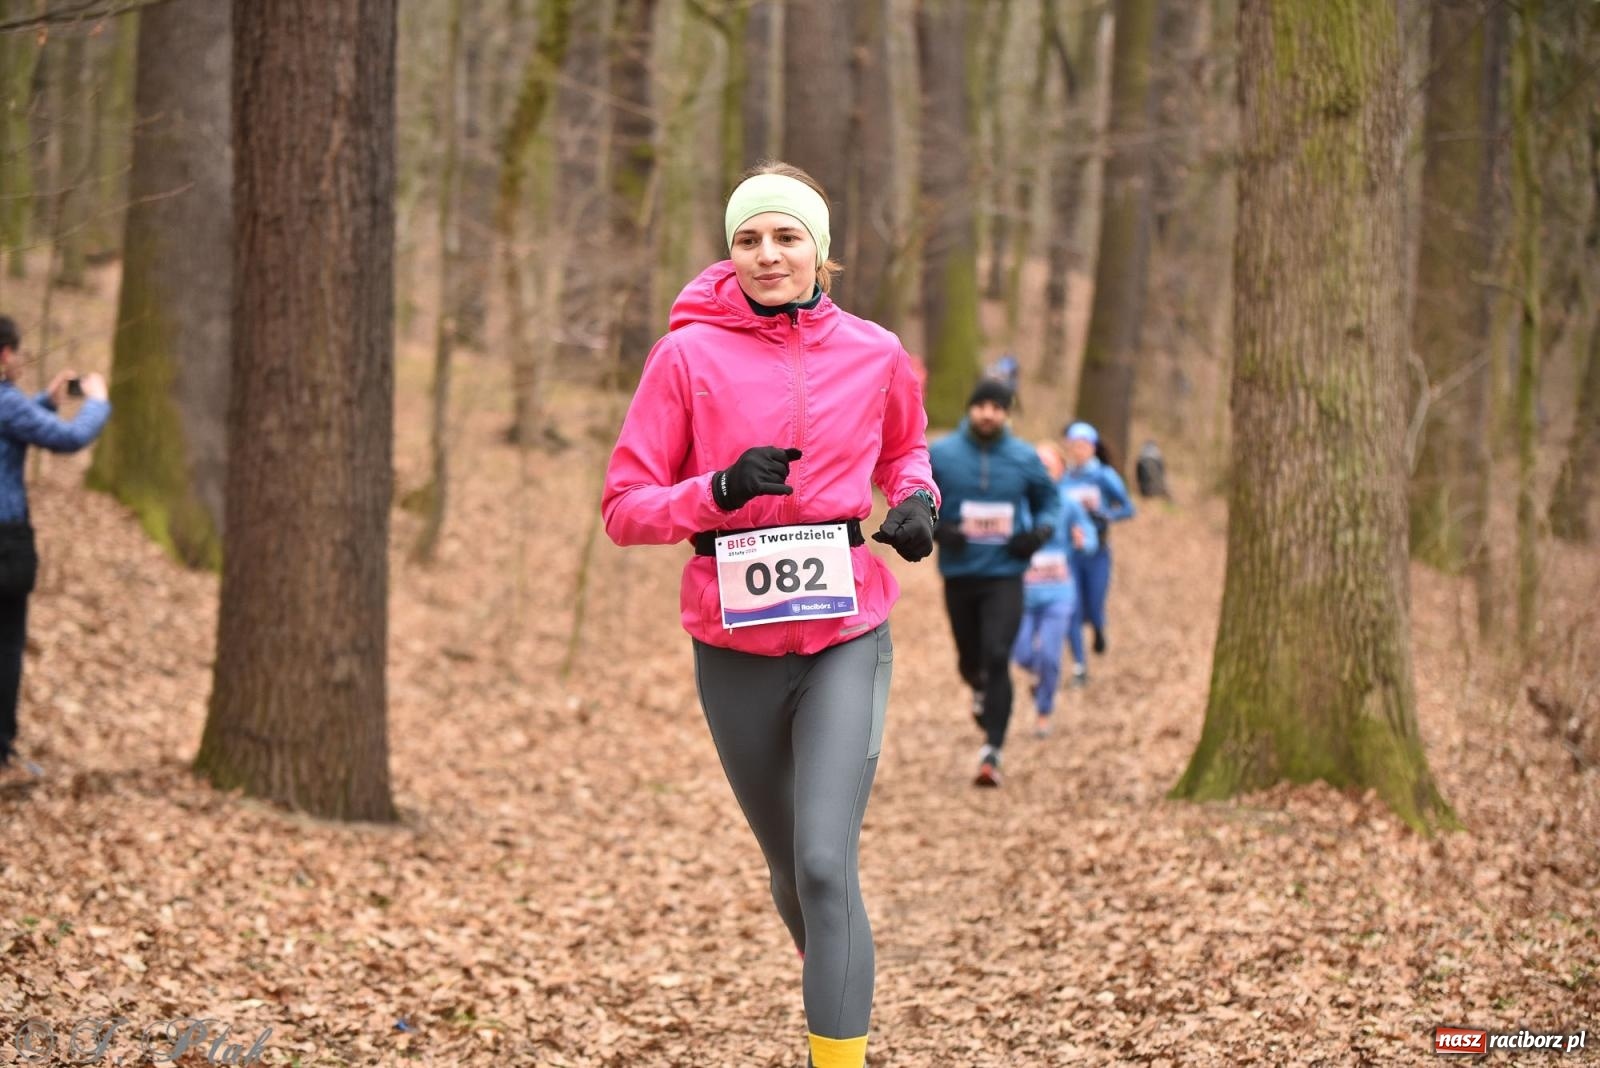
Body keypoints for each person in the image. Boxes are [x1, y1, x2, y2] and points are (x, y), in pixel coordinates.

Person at [601, 162, 937, 1068]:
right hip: (734, 643)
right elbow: (624, 505)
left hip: (844, 632)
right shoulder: (685, 357)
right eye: (748, 238)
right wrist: (714, 489)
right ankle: (831, 958)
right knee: (792, 872)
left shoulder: (875, 351)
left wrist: (917, 503)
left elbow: (908, 450)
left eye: (787, 236)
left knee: (826, 862)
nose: (766, 254)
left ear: (820, 251)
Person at [929, 379, 1060, 787]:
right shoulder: (943, 454)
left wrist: (1038, 534)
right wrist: (935, 528)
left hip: (1005, 573)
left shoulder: (1023, 457)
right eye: (982, 404)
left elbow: (1050, 502)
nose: (988, 413)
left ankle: (993, 752)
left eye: (998, 407)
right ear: (970, 407)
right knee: (971, 660)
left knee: (998, 652)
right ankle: (978, 685)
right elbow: (918, 496)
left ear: (1007, 413)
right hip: (960, 574)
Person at [0, 315, 111, 776]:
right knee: (6, 643)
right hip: (6, 545)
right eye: (18, 352)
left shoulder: (13, 407)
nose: (21, 360)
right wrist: (97, 404)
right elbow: (69, 440)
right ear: (4, 354)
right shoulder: (6, 402)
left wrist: (45, 402)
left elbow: (13, 436)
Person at [1010, 441, 1097, 738]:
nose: (1043, 471)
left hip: (1059, 594)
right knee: (1019, 652)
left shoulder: (1069, 504)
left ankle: (1044, 712)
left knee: (1050, 655)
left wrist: (1084, 541)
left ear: (1061, 470)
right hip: (1021, 593)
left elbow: (1091, 535)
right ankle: (1041, 676)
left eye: (1049, 465)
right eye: (1038, 465)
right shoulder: (1018, 502)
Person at [1060, 422, 1134, 679]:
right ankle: (1080, 667)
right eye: (1074, 446)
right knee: (1072, 609)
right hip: (1069, 554)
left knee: (1094, 604)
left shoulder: (1103, 476)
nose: (1079, 451)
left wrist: (1106, 515)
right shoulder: (1063, 478)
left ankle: (1099, 627)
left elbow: (1128, 508)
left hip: (1098, 552)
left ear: (1092, 448)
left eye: (1084, 446)